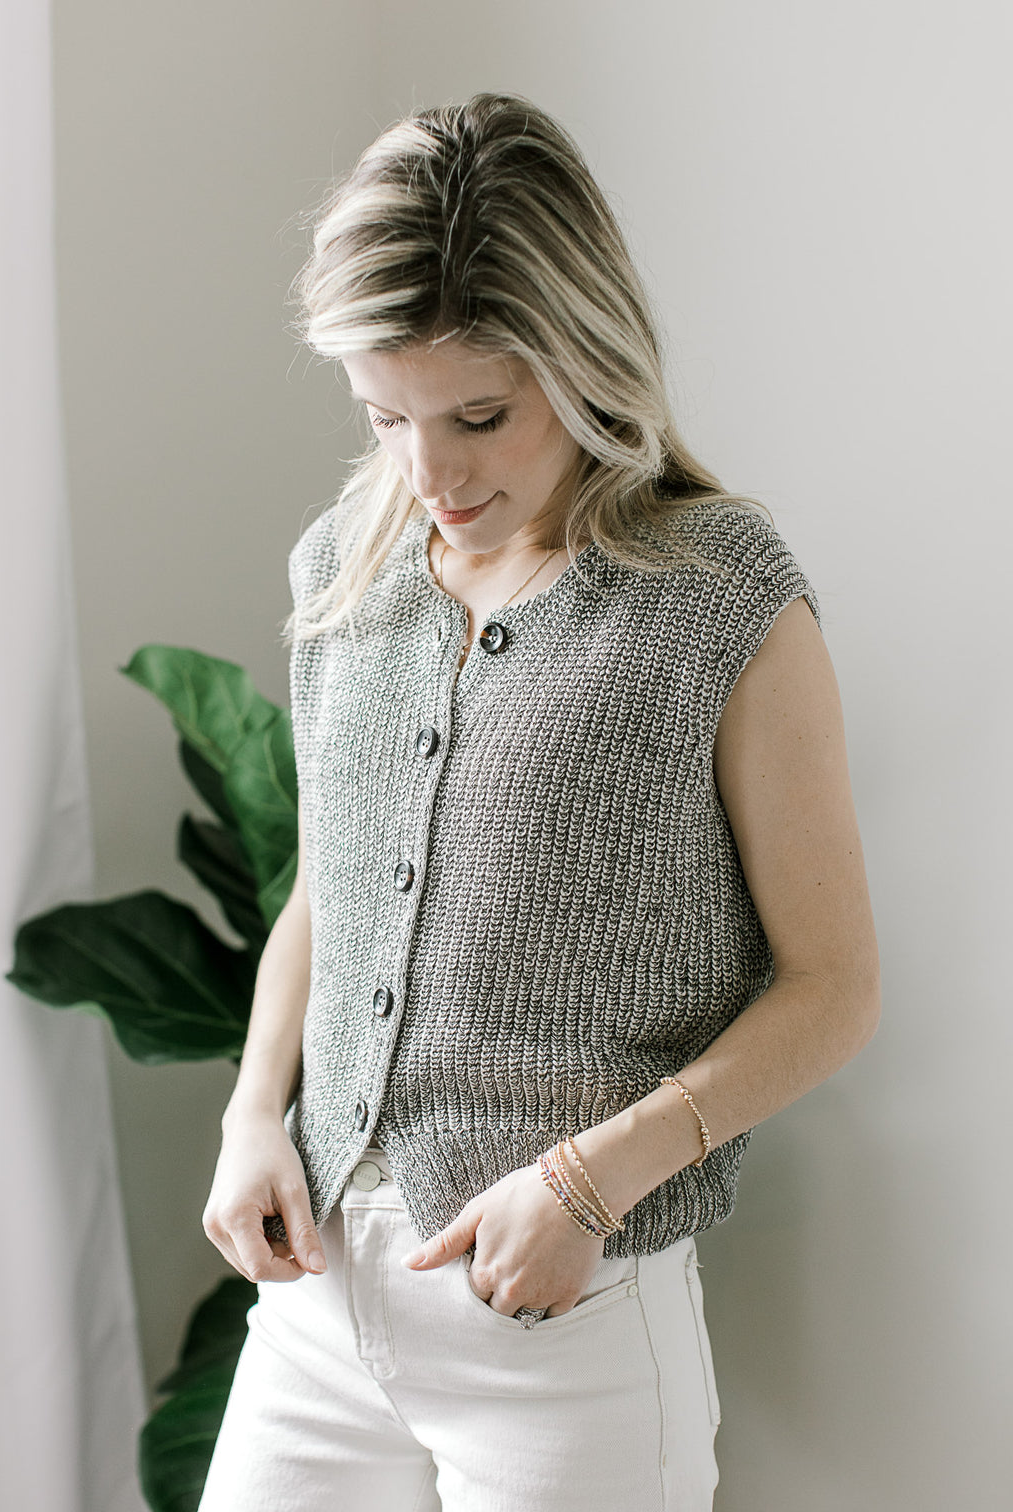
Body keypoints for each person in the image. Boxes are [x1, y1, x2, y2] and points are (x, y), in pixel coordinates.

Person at [198, 92, 881, 1511]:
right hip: (317, 1312)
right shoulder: (346, 571)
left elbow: (832, 989)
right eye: (385, 416)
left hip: (564, 1328)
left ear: (582, 360)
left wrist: (588, 1184)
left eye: (481, 416)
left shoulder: (717, 600)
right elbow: (333, 887)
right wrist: (255, 1113)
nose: (430, 473)